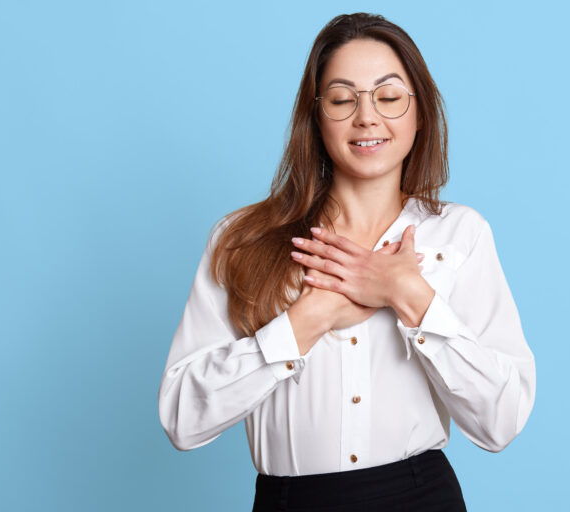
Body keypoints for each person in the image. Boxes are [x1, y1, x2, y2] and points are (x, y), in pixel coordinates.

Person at [158, 12, 536, 512]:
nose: (367, 117)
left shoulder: (460, 234)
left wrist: (410, 296)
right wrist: (308, 320)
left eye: (389, 96)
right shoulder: (243, 239)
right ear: (315, 117)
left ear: (419, 112)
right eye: (342, 99)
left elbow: (501, 422)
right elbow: (183, 419)